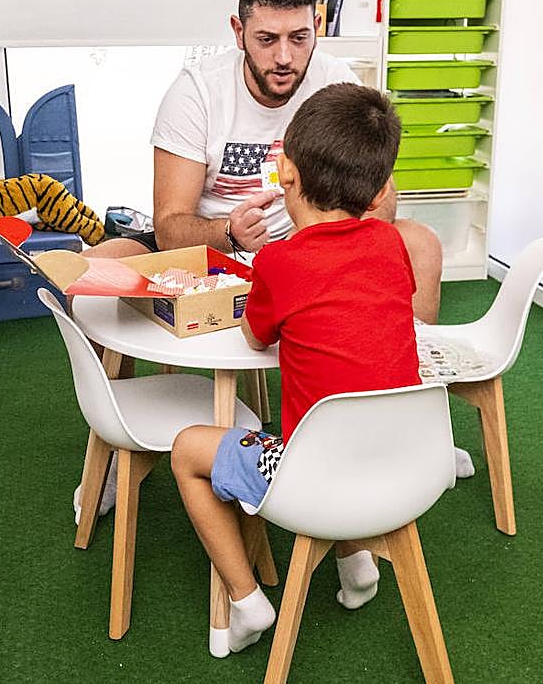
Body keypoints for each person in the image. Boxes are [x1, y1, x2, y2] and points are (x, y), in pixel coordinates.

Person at [169, 83, 426, 658]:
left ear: (287, 175)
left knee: (188, 450)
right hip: (401, 463)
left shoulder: (279, 261)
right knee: (351, 405)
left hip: (311, 473)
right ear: (382, 189)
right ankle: (357, 562)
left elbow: (255, 334)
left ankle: (245, 600)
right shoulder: (391, 246)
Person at [87, 0, 443, 324]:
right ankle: (113, 381)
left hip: (309, 251)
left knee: (421, 243)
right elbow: (170, 226)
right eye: (267, 39)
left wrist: (319, 245)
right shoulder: (196, 92)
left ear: (318, 26)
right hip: (212, 251)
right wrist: (229, 232)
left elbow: (381, 196)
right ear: (239, 33)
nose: (284, 57)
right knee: (96, 266)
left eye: (300, 37)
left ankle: (407, 378)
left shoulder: (339, 85)